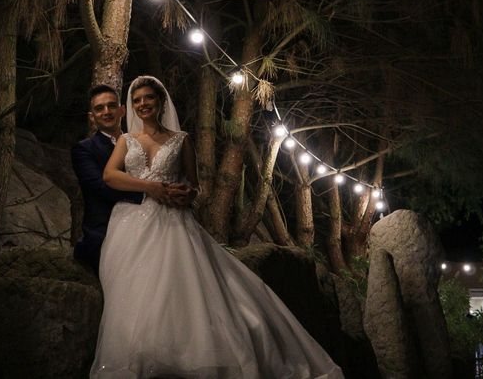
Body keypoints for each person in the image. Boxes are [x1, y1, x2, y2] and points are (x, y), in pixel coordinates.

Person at [90, 75, 343, 379]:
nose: (142, 104)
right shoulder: (126, 140)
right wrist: (150, 186)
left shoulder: (181, 139)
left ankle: (191, 353)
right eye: (136, 100)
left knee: (182, 286)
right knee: (136, 291)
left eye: (148, 98)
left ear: (161, 102)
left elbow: (194, 187)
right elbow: (109, 176)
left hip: (173, 221)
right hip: (135, 221)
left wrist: (185, 195)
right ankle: (139, 355)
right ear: (131, 106)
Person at [71, 85, 187, 276]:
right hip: (107, 230)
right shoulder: (84, 149)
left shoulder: (141, 141)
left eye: (111, 106)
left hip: (157, 220)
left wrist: (178, 192)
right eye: (99, 109)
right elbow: (101, 187)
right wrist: (149, 189)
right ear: (92, 116)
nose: (106, 112)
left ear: (122, 110)